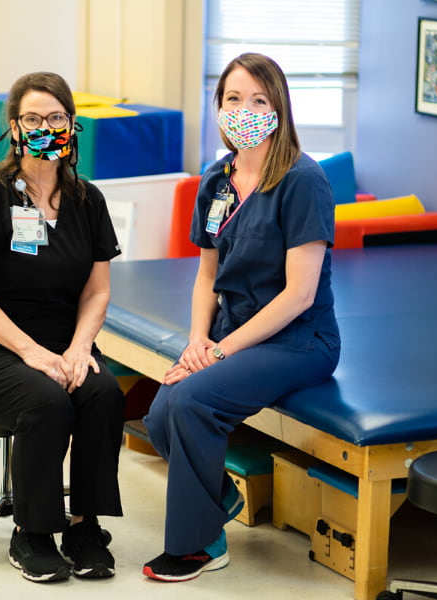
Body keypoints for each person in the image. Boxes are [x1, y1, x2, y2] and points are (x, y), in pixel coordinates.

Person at [142, 53, 341, 582]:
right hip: (231, 333)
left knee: (189, 399)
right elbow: (207, 276)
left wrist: (219, 354)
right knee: (159, 417)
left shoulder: (303, 180)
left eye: (258, 99)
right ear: (219, 107)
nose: (245, 109)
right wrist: (196, 342)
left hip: (299, 341)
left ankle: (197, 545)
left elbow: (299, 295)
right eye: (233, 98)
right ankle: (219, 500)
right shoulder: (217, 181)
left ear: (278, 108)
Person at [0, 71, 125, 583]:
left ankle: (84, 527)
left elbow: (96, 290)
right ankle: (32, 533)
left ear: (72, 124)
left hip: (63, 341)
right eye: (34, 118)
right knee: (46, 399)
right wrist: (31, 352)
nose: (46, 127)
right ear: (15, 128)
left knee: (103, 392)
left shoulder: (88, 201)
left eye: (56, 117)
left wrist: (82, 347)